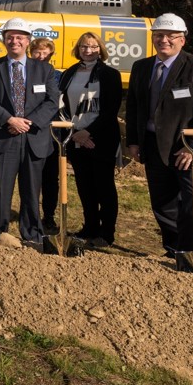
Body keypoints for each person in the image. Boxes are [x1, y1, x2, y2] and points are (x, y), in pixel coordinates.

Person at [125, 13, 193, 259]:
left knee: (192, 205)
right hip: (152, 147)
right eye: (159, 35)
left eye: (171, 36)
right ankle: (173, 250)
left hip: (189, 151)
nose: (165, 40)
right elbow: (134, 108)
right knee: (162, 204)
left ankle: (192, 254)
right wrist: (133, 141)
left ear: (183, 40)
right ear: (152, 38)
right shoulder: (141, 67)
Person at [0, 18, 60, 249]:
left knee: (31, 188)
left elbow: (52, 101)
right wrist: (9, 119)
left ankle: (32, 232)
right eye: (10, 37)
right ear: (4, 40)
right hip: (4, 136)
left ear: (28, 41)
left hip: (34, 138)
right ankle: (0, 229)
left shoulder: (44, 69)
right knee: (1, 187)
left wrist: (29, 123)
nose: (15, 41)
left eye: (20, 37)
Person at [59, 32, 122, 248]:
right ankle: (90, 227)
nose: (88, 50)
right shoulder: (70, 73)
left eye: (93, 46)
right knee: (84, 186)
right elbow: (62, 103)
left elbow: (110, 109)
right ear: (78, 49)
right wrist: (76, 131)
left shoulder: (109, 74)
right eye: (84, 46)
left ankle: (107, 233)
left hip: (101, 138)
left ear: (100, 49)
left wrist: (89, 132)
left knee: (104, 186)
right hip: (75, 136)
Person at [30, 27, 61, 231]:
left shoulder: (58, 76)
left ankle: (48, 215)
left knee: (50, 177)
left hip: (51, 133)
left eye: (45, 52)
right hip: (29, 131)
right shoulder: (23, 72)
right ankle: (30, 214)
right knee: (31, 177)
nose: (41, 56)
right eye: (37, 52)